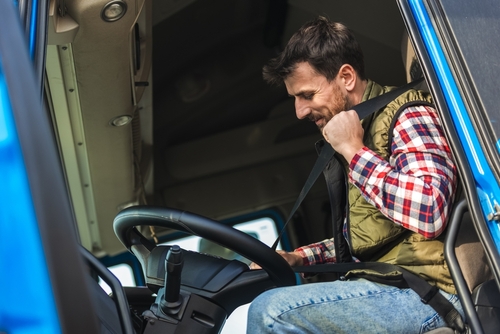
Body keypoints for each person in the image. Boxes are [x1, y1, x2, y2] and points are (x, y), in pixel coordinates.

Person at [246, 17, 463, 333]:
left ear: (346, 77)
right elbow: (365, 238)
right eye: (294, 98)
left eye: (307, 94)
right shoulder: (363, 132)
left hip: (431, 293)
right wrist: (299, 258)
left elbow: (430, 210)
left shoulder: (407, 113)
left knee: (272, 313)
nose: (299, 111)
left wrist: (354, 152)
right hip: (395, 285)